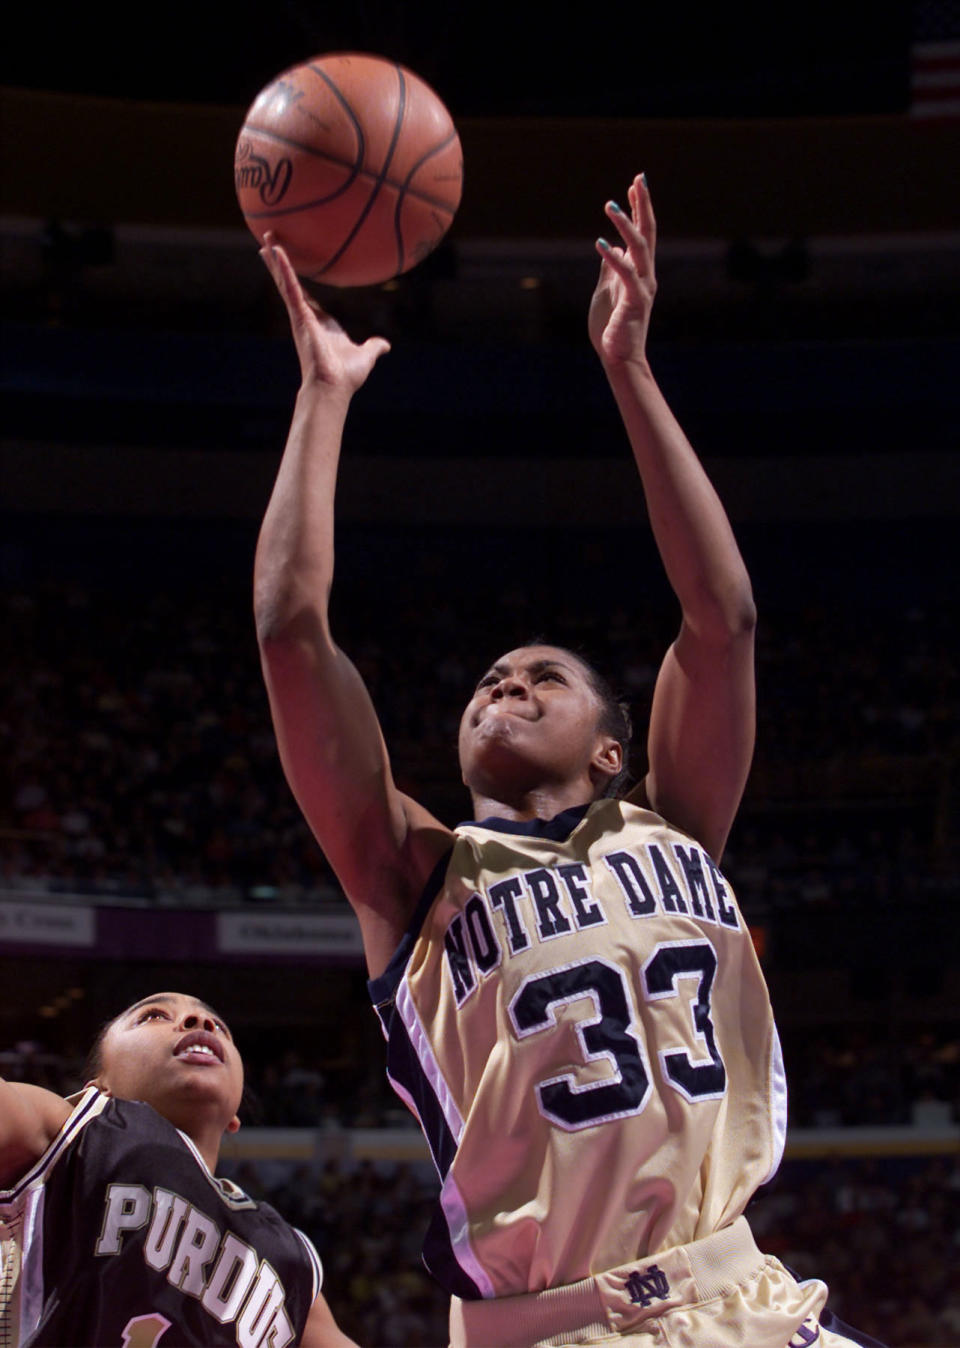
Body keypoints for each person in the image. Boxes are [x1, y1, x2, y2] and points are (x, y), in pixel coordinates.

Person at [254, 177, 884, 1347]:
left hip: (747, 1299)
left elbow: (724, 620)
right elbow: (293, 636)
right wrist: (322, 401)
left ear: (613, 745)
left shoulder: (677, 819)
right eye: (491, 679)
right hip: (552, 1326)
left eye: (541, 675)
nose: (505, 685)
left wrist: (630, 370)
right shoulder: (415, 872)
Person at [0, 991, 356, 1347]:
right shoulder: (73, 1129)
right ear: (99, 1086)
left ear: (235, 1117)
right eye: (154, 1016)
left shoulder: (291, 1257)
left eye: (219, 1026)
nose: (200, 1022)